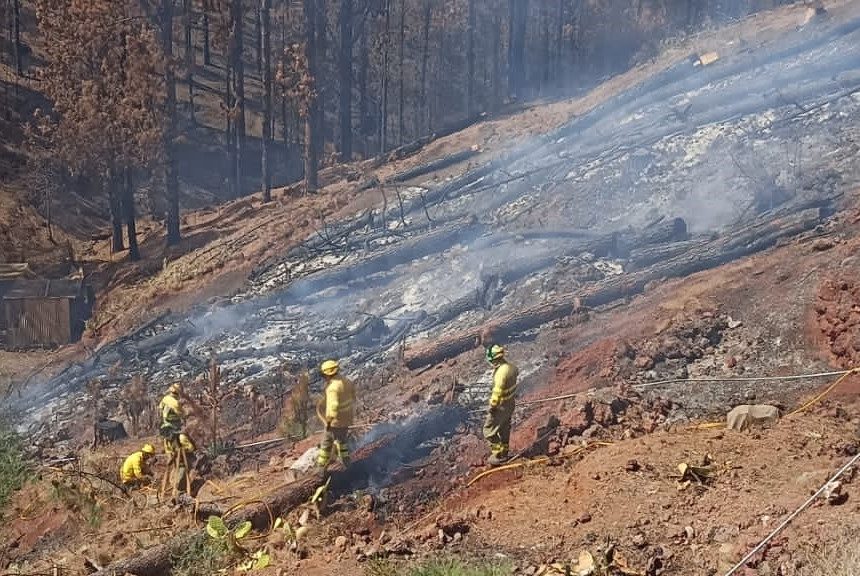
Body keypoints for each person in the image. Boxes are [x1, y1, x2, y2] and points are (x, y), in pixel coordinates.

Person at [315, 359, 356, 470]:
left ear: (327, 374)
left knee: (326, 444)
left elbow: (334, 407)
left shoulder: (332, 388)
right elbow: (353, 396)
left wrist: (328, 421)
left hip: (336, 422)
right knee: (342, 440)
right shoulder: (347, 381)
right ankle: (346, 461)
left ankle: (320, 468)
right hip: (347, 419)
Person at [483, 345, 519, 466]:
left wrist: (492, 407)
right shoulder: (512, 368)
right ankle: (504, 453)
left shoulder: (500, 374)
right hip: (510, 405)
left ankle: (497, 454)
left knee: (488, 431)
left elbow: (497, 393)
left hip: (500, 406)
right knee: (504, 429)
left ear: (494, 359)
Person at [163, 431, 197, 495]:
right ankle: (180, 490)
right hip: (177, 460)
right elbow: (168, 451)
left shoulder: (181, 437)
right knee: (172, 479)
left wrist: (183, 450)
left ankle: (183, 493)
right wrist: (170, 458)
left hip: (188, 459)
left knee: (180, 478)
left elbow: (191, 448)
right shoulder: (166, 441)